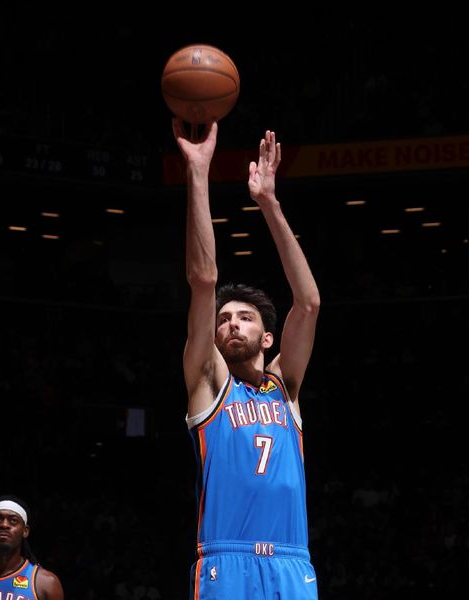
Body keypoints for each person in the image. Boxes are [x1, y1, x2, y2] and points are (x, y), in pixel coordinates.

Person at [174, 117, 321, 599]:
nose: (231, 323)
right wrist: (198, 172)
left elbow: (309, 303)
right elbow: (202, 280)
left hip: (291, 560)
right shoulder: (209, 385)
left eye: (245, 318)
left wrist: (270, 204)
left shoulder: (286, 386)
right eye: (224, 320)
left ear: (267, 339)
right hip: (225, 559)